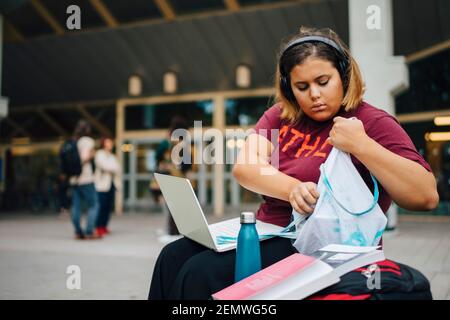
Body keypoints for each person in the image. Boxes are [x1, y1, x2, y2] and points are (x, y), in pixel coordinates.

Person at [148, 27, 439, 300]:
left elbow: (425, 196)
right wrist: (293, 189)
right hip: (270, 231)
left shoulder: (372, 122)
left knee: (200, 273)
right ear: (289, 88)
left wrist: (362, 145)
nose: (314, 94)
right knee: (171, 257)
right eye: (302, 86)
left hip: (323, 246)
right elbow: (246, 167)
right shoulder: (281, 115)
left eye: (323, 82)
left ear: (345, 76)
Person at [150, 116, 192, 243]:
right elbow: (187, 164)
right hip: (175, 178)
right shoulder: (174, 144)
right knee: (175, 206)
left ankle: (174, 231)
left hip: (172, 178)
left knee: (174, 206)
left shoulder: (170, 143)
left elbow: (158, 157)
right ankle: (174, 232)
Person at [70, 120, 100, 240]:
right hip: (86, 178)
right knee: (94, 204)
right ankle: (89, 231)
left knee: (76, 206)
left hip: (75, 179)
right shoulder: (87, 141)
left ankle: (78, 231)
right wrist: (92, 154)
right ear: (87, 129)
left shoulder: (74, 141)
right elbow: (84, 158)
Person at [94, 136, 121, 236]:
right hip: (101, 185)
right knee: (101, 206)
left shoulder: (112, 156)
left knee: (108, 207)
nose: (110, 144)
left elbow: (118, 168)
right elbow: (104, 166)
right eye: (108, 142)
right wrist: (112, 167)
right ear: (103, 143)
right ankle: (98, 227)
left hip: (111, 185)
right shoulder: (99, 154)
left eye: (111, 142)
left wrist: (111, 167)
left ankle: (104, 226)